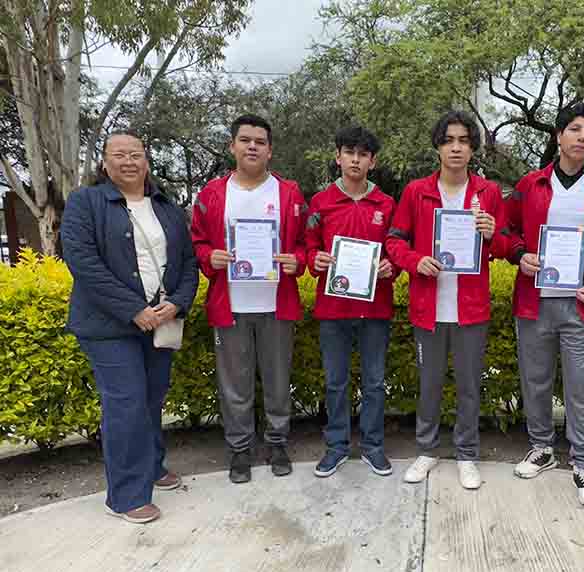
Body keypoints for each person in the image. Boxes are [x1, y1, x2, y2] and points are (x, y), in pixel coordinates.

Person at [61, 131, 198, 523]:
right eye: (118, 154)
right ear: (104, 163)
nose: (128, 161)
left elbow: (188, 263)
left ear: (146, 161)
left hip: (160, 321)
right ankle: (125, 496)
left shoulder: (166, 207)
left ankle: (151, 467)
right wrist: (134, 309)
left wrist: (178, 303)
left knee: (152, 399)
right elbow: (84, 264)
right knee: (126, 403)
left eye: (135, 154)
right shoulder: (86, 202)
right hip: (108, 326)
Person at [506, 103, 584, 507]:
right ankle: (542, 447)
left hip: (583, 304)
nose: (581, 137)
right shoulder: (530, 184)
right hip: (534, 301)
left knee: (580, 386)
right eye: (574, 129)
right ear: (558, 136)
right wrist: (519, 254)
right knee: (535, 380)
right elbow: (505, 230)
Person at [386, 110, 508, 490]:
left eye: (463, 141)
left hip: (471, 307)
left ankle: (467, 453)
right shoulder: (416, 191)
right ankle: (427, 450)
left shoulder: (488, 193)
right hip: (429, 306)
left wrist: (492, 233)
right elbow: (394, 241)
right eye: (449, 140)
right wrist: (414, 261)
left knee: (469, 385)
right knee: (430, 383)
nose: (456, 148)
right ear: (438, 147)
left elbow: (506, 245)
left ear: (473, 149)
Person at [191, 114, 307, 484]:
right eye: (245, 140)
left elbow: (305, 243)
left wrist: (298, 260)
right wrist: (208, 256)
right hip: (231, 305)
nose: (252, 146)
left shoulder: (289, 192)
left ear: (270, 150)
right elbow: (196, 241)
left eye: (260, 141)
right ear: (233, 146)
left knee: (278, 381)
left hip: (277, 303)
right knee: (234, 385)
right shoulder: (212, 194)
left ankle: (277, 443)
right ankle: (239, 448)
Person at [305, 126, 397, 478]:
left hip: (375, 308)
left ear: (373, 161)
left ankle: (373, 447)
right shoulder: (320, 202)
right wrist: (315, 259)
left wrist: (391, 267)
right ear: (338, 157)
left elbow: (396, 248)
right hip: (333, 309)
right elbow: (309, 246)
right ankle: (337, 446)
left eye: (363, 154)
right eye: (349, 153)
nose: (355, 160)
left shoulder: (386, 204)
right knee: (335, 382)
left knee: (374, 382)